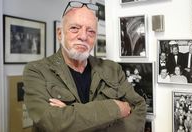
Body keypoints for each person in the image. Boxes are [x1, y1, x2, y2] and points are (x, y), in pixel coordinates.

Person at [23, 1, 146, 131]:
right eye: (74, 28)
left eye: (91, 31)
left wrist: (71, 117)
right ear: (60, 34)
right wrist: (116, 107)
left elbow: (139, 106)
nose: (83, 36)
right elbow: (53, 122)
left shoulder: (112, 69)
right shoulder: (37, 71)